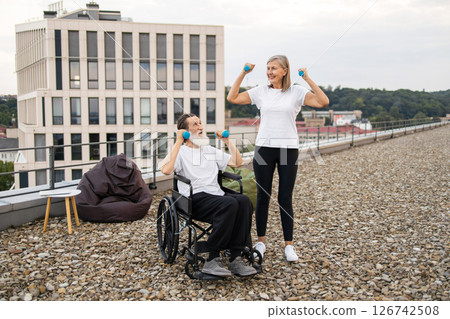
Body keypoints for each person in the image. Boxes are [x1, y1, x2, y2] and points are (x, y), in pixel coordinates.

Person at [227, 55, 329, 262]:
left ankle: (288, 245)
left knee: (284, 198)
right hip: (264, 148)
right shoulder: (261, 92)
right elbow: (233, 98)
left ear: (285, 70)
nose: (270, 72)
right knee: (263, 197)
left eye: (274, 68)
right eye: (267, 68)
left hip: (288, 149)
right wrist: (244, 73)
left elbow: (323, 101)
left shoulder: (297, 92)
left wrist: (307, 78)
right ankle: (261, 242)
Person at [160, 113, 257, 277]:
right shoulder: (180, 152)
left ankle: (235, 258)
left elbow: (237, 162)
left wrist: (227, 142)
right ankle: (212, 258)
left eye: (200, 123)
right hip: (194, 199)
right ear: (185, 132)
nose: (200, 127)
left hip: (216, 196)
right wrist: (178, 141)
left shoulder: (210, 150)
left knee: (244, 201)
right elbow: (166, 170)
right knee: (229, 204)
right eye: (195, 125)